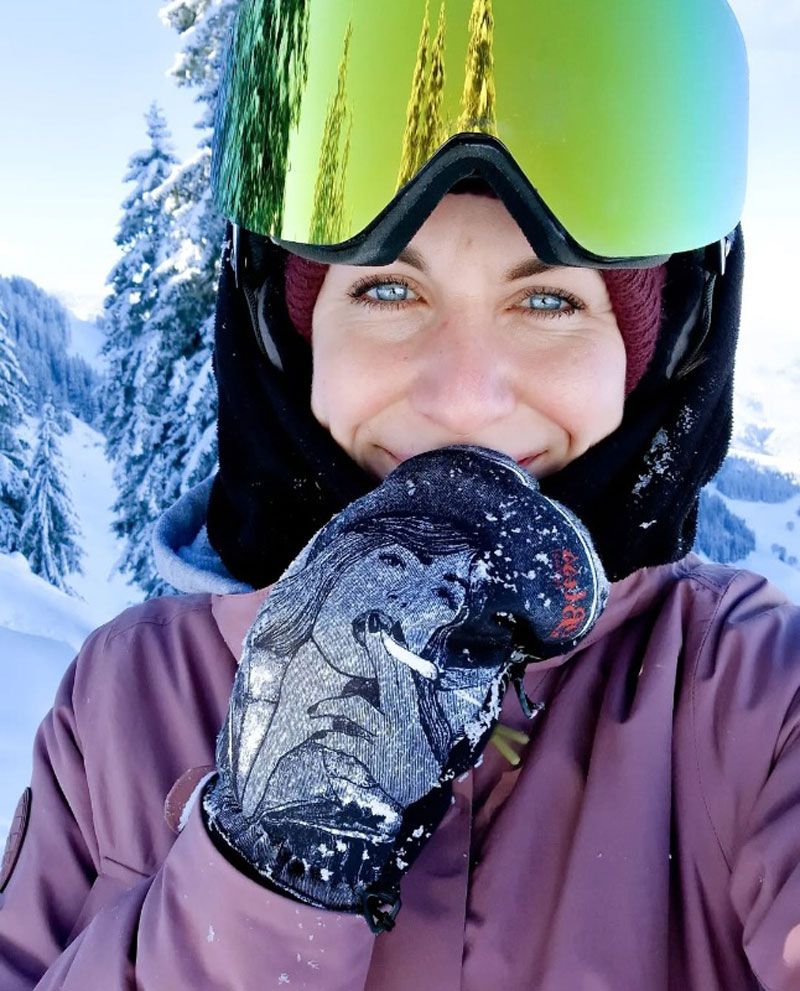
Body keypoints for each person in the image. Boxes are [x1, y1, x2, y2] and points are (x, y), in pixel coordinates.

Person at [1, 0, 798, 988]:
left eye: (547, 298)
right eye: (385, 289)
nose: (463, 396)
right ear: (294, 338)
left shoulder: (752, 697)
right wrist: (261, 875)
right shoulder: (123, 703)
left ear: (650, 358)